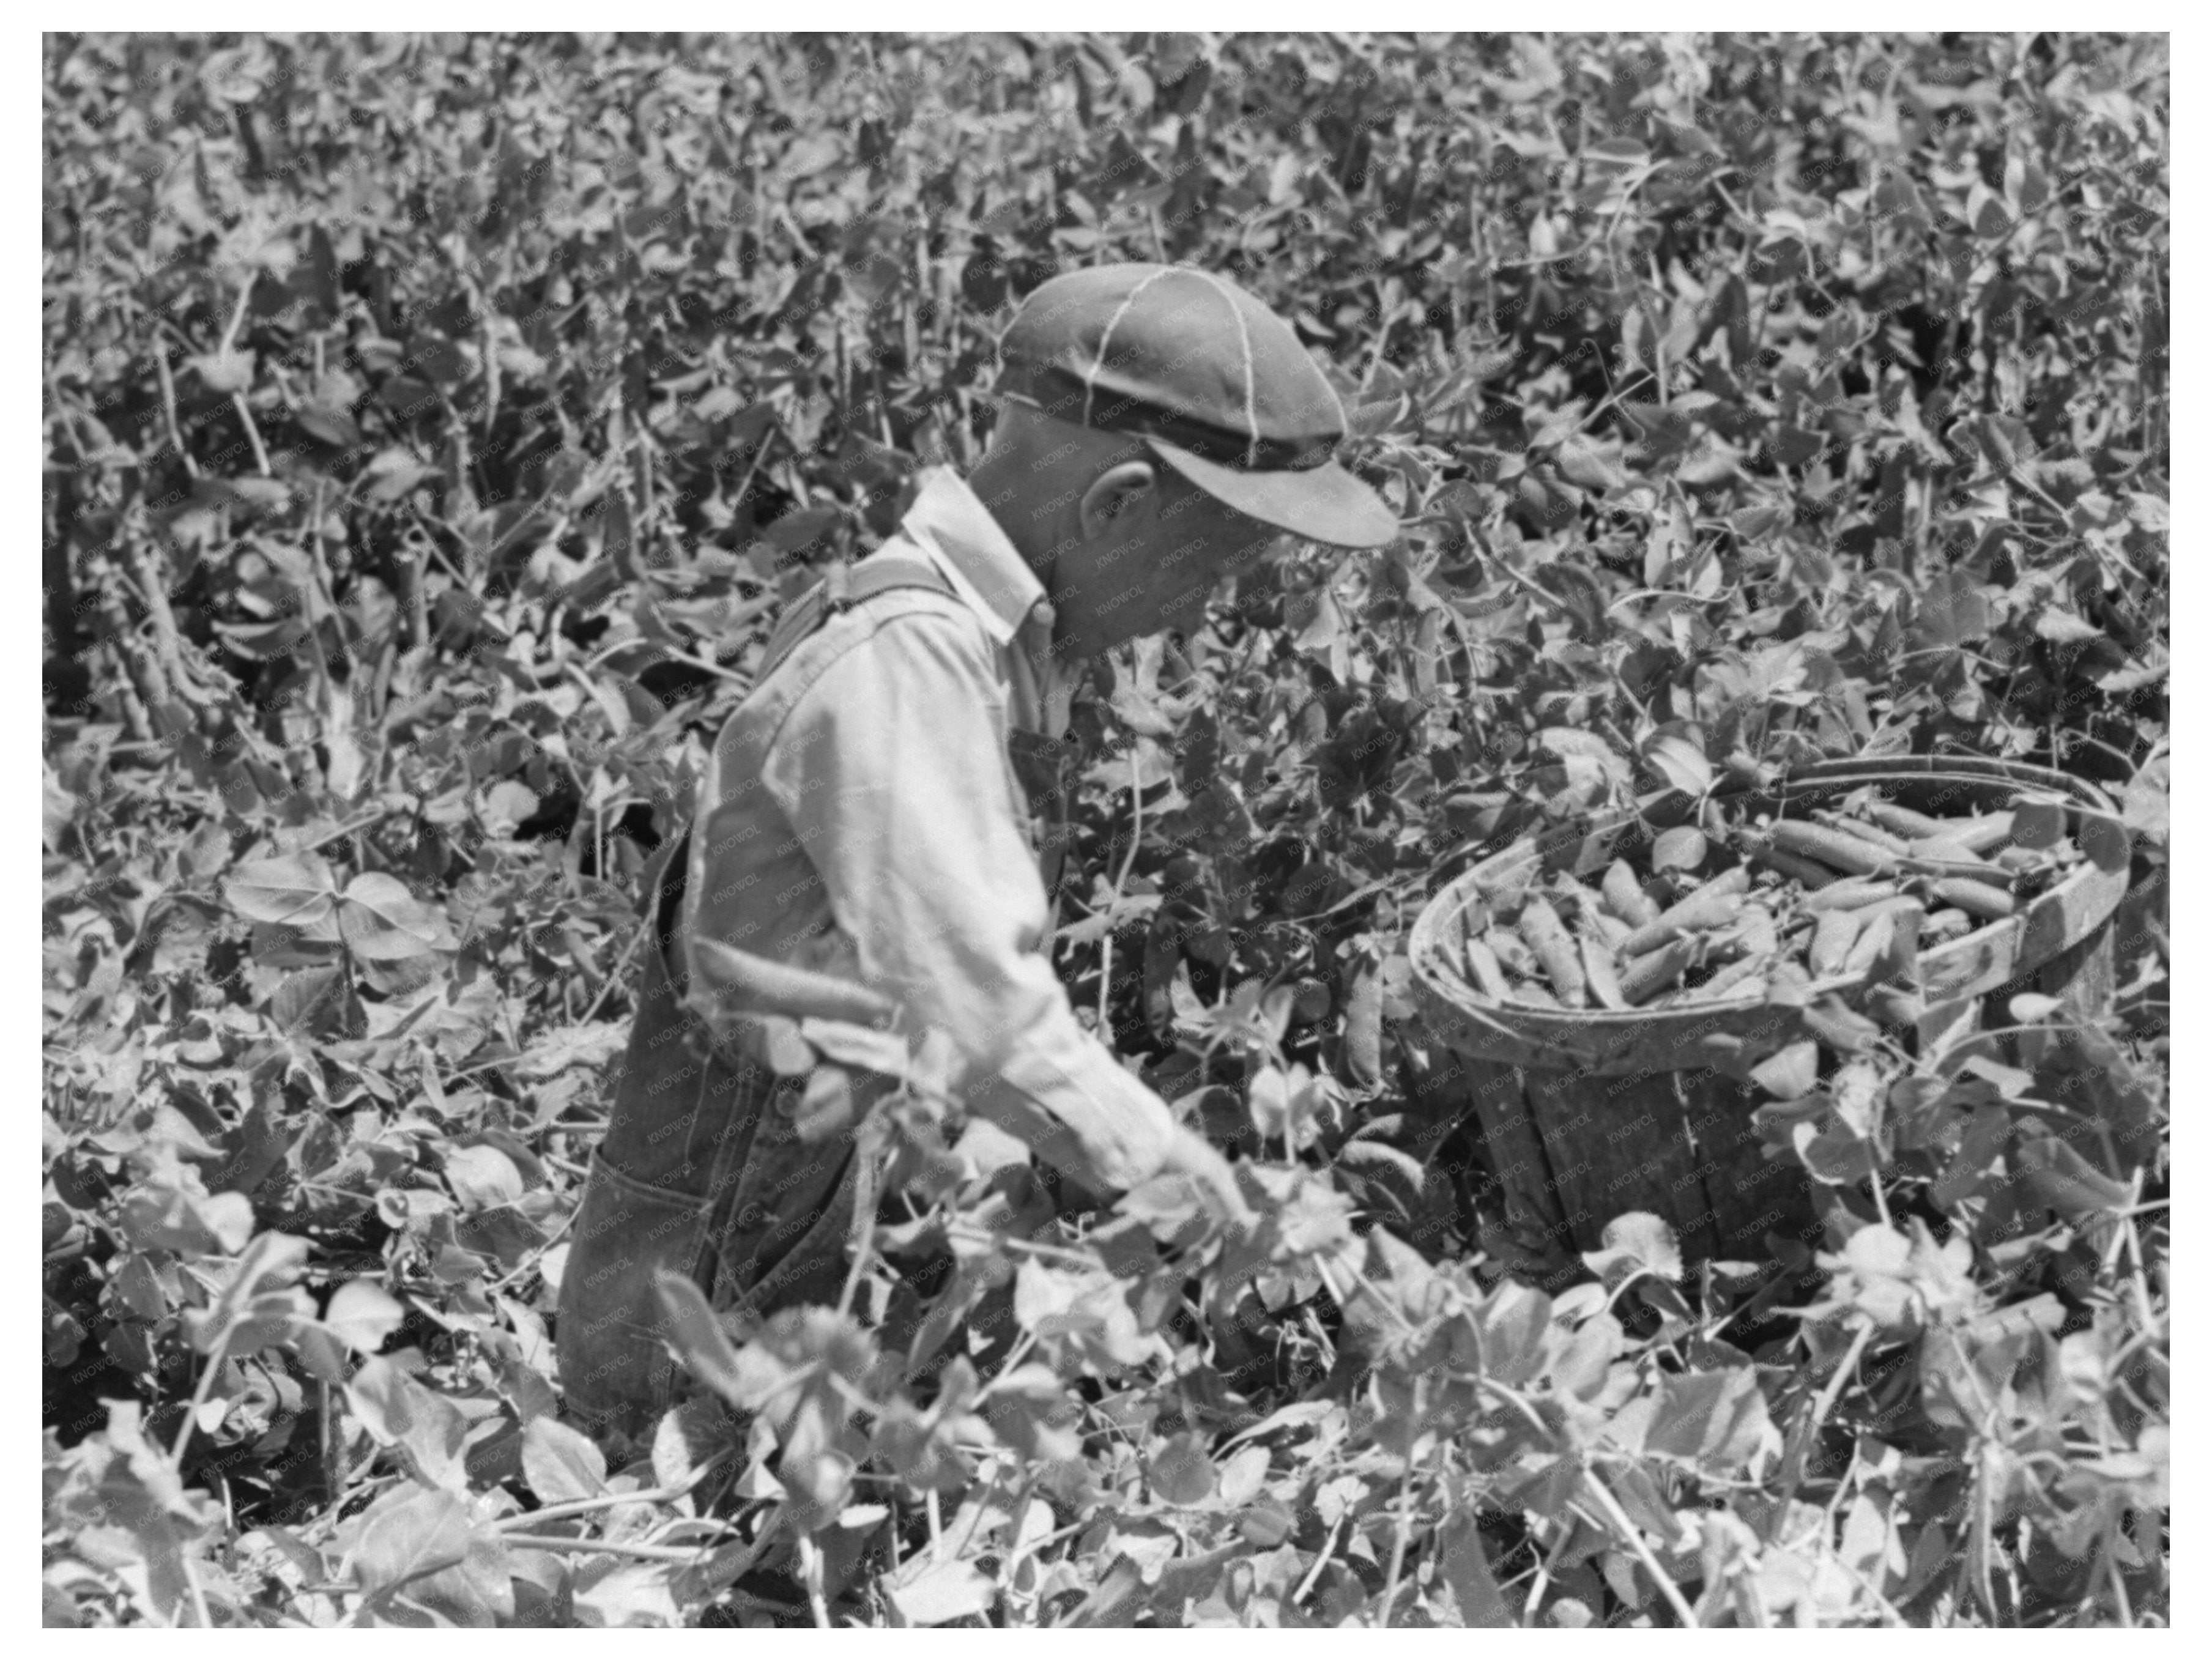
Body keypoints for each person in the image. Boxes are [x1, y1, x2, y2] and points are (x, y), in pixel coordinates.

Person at [555, 262, 1400, 1442]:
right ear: (1113, 507)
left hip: (800, 1242)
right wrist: (1216, 1204)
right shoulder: (909, 666)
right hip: (701, 1314)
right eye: (1208, 568)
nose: (1202, 612)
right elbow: (987, 1017)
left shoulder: (995, 643)